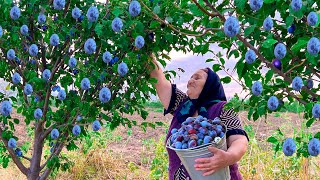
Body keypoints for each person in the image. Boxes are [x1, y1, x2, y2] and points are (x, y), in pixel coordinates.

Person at [149, 54, 249, 180]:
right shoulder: (183, 107)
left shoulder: (223, 108)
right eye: (191, 78)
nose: (190, 81)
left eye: (197, 78)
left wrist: (228, 157)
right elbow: (158, 79)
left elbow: (239, 140)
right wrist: (146, 51)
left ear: (209, 85)